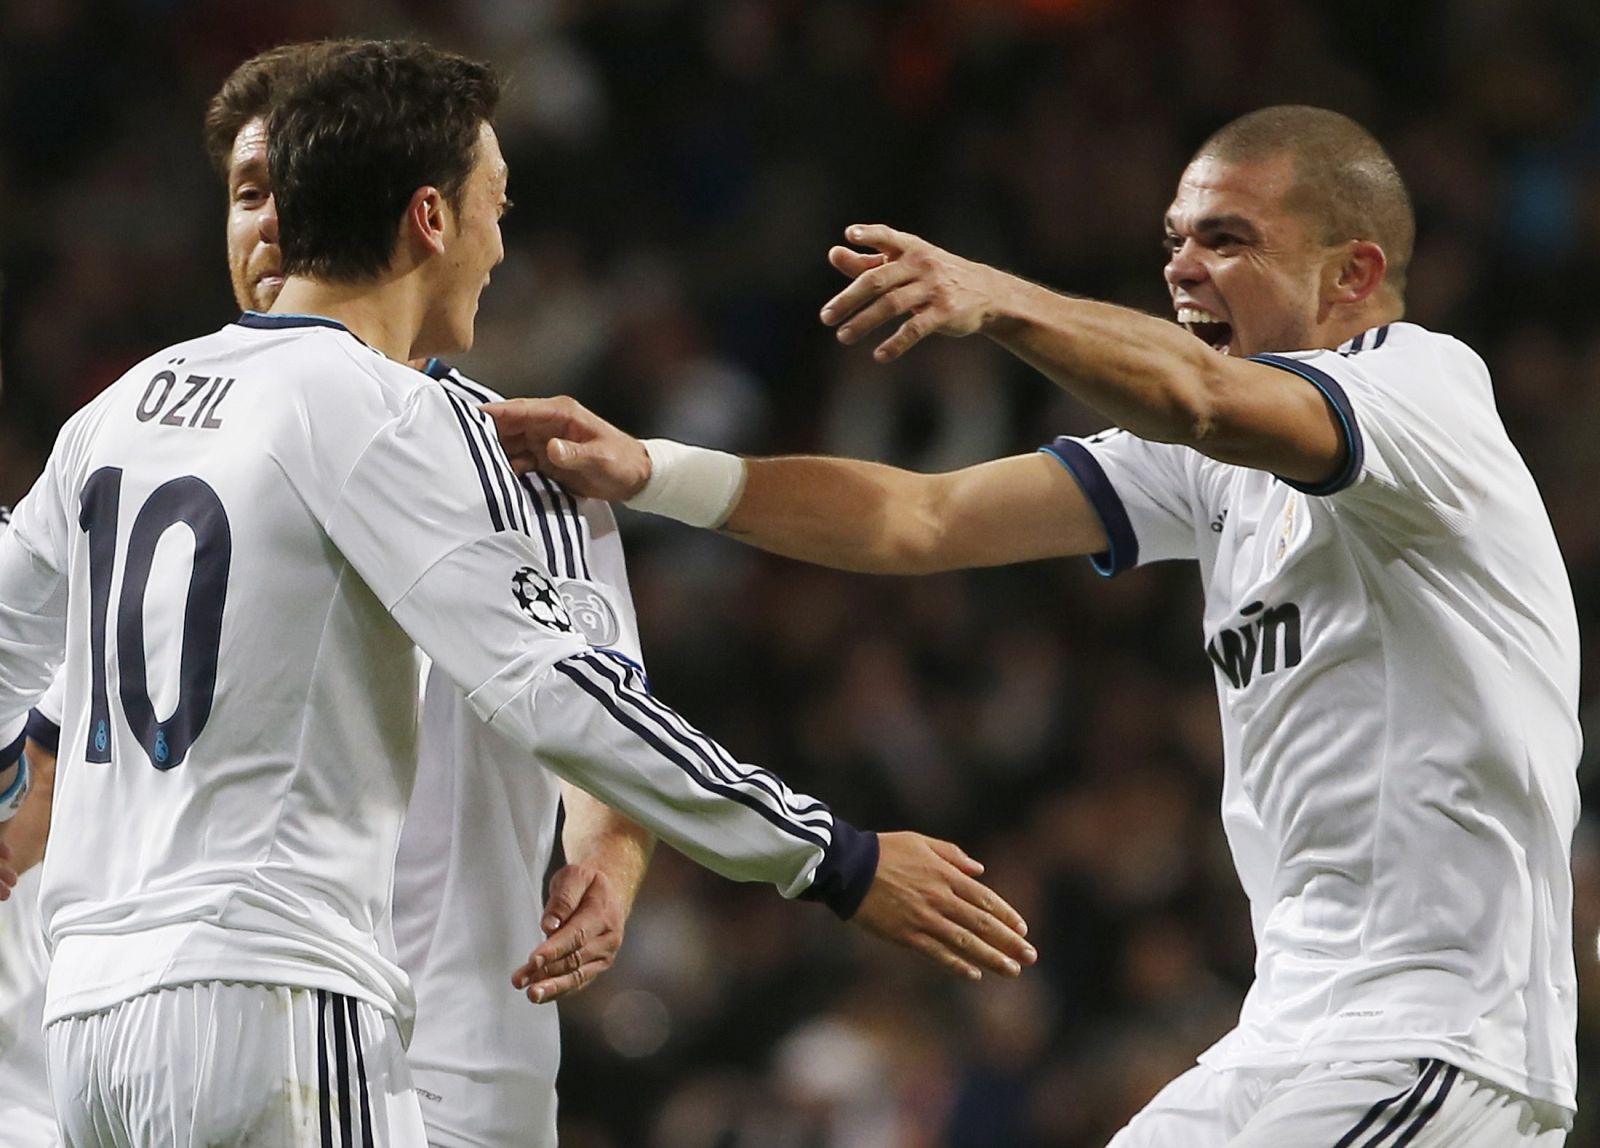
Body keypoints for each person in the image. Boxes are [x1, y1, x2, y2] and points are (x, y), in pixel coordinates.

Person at [0, 40, 1034, 1147]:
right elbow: (564, 691)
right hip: (279, 997)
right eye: (494, 206)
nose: (502, 243)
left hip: (92, 1023)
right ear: (431, 219)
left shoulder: (123, 407)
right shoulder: (382, 418)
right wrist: (834, 855)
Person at [487, 105, 1579, 1147]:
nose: (1182, 267)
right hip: (1289, 1030)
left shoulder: (1419, 393)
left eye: (1227, 238)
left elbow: (1196, 393)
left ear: (1353, 273)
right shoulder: (1214, 467)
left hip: (1440, 1031)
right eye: (1175, 239)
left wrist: (996, 297)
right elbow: (920, 517)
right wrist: (652, 470)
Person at [0, 41, 651, 1148]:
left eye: (286, 192)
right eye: (247, 194)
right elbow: (55, 758)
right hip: (246, 1012)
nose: (270, 226)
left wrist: (609, 858)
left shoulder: (526, 465)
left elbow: (610, 713)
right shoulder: (163, 453)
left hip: (457, 1046)